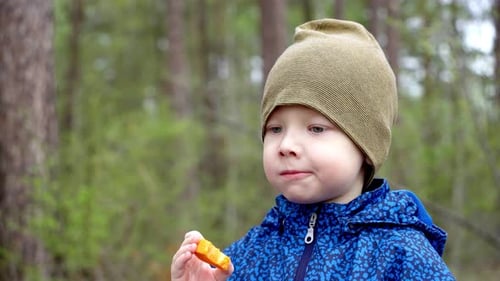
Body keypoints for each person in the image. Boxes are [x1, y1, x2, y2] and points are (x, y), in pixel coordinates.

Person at [171, 18, 456, 281]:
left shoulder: (401, 254)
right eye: (275, 129)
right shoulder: (250, 253)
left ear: (365, 145)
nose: (286, 146)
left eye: (316, 129)